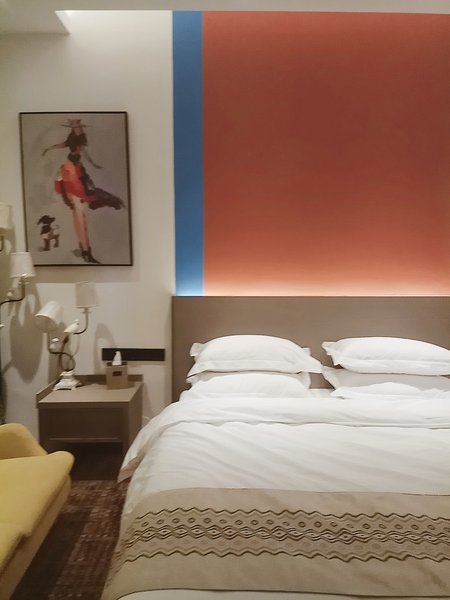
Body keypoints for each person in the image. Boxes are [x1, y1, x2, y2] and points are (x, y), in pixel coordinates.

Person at [42, 118, 124, 264]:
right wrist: (49, 148)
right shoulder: (72, 141)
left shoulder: (80, 140)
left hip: (76, 172)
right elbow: (64, 146)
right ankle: (86, 250)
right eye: (75, 125)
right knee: (79, 213)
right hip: (71, 172)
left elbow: (83, 152)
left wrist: (93, 163)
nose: (77, 127)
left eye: (78, 125)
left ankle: (85, 248)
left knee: (80, 213)